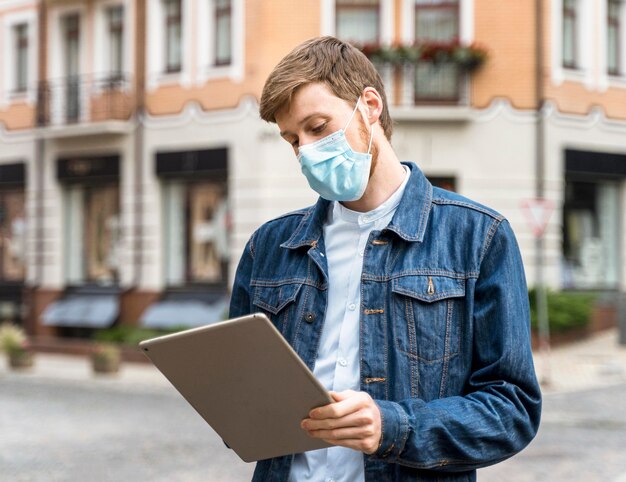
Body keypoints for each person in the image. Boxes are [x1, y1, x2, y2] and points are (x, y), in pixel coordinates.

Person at [229, 36, 541, 482]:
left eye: (317, 127)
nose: (306, 152)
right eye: (292, 139)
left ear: (369, 106)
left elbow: (512, 409)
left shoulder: (478, 236)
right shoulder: (269, 246)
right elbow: (241, 401)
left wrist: (392, 427)